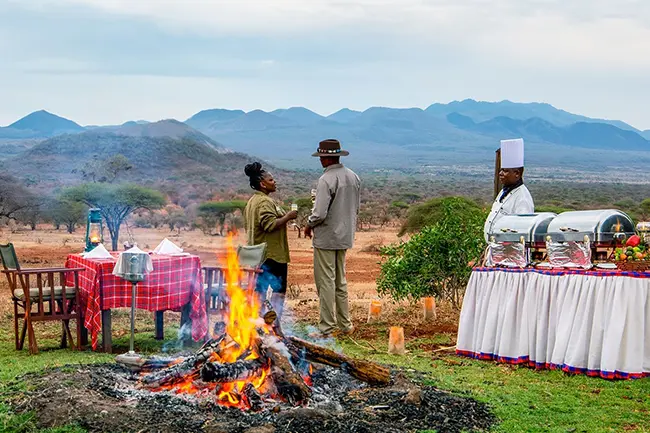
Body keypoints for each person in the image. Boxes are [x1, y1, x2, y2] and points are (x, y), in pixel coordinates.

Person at [304, 139, 361, 336]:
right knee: (340, 280)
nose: (320, 161)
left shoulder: (325, 180)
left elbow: (319, 213)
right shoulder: (353, 177)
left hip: (327, 237)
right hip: (345, 236)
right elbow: (356, 209)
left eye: (321, 157)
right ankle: (345, 325)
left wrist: (309, 224)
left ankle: (326, 327)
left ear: (326, 158)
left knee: (326, 282)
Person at [243, 162, 297, 319]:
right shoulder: (265, 202)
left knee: (259, 290)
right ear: (262, 184)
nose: (275, 182)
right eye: (271, 180)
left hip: (258, 254)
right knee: (278, 290)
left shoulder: (253, 200)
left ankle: (258, 322)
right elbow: (269, 225)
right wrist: (288, 216)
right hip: (271, 255)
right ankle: (274, 322)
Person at [484, 138, 535, 241]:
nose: (500, 174)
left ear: (517, 173)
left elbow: (522, 231)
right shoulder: (504, 192)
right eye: (501, 170)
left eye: (505, 171)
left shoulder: (522, 198)